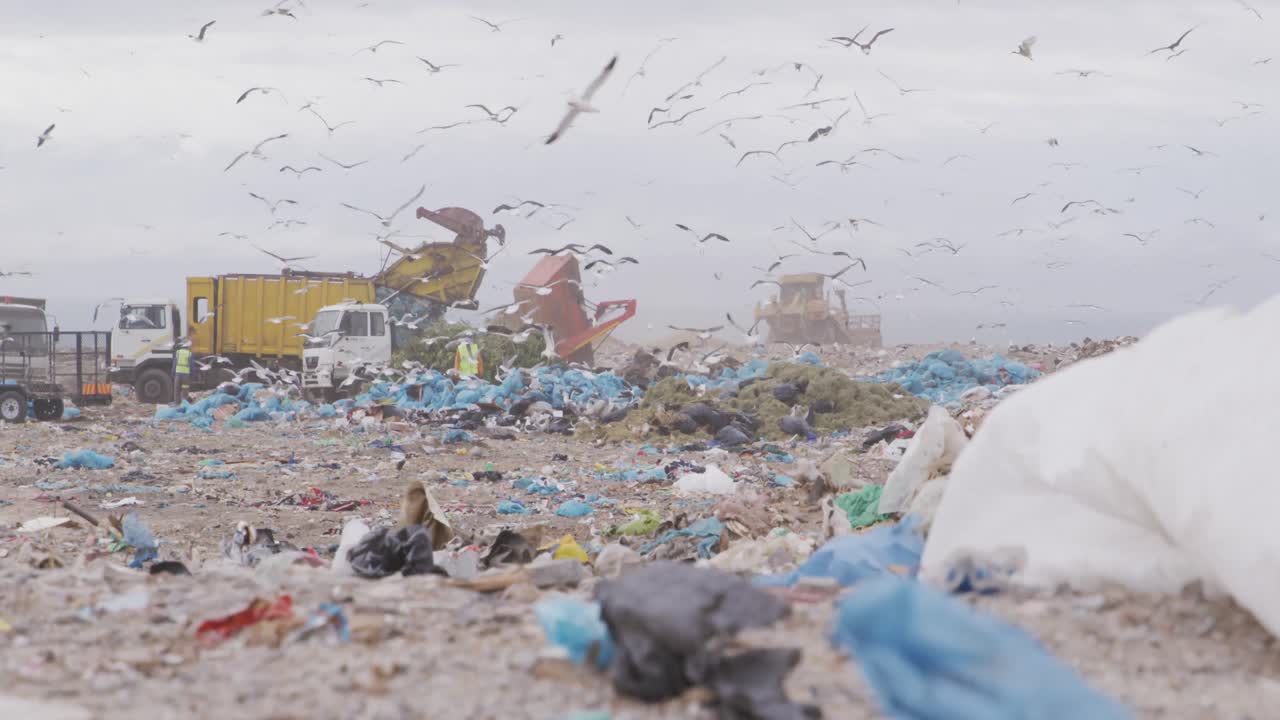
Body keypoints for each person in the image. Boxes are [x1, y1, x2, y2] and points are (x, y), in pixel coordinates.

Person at [172, 338, 192, 405]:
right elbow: (191, 365)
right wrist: (193, 374)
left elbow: (175, 363)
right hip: (186, 374)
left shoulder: (178, 352)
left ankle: (176, 403)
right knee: (185, 389)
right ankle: (184, 404)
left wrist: (173, 372)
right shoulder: (189, 353)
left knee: (177, 389)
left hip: (178, 374)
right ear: (187, 347)